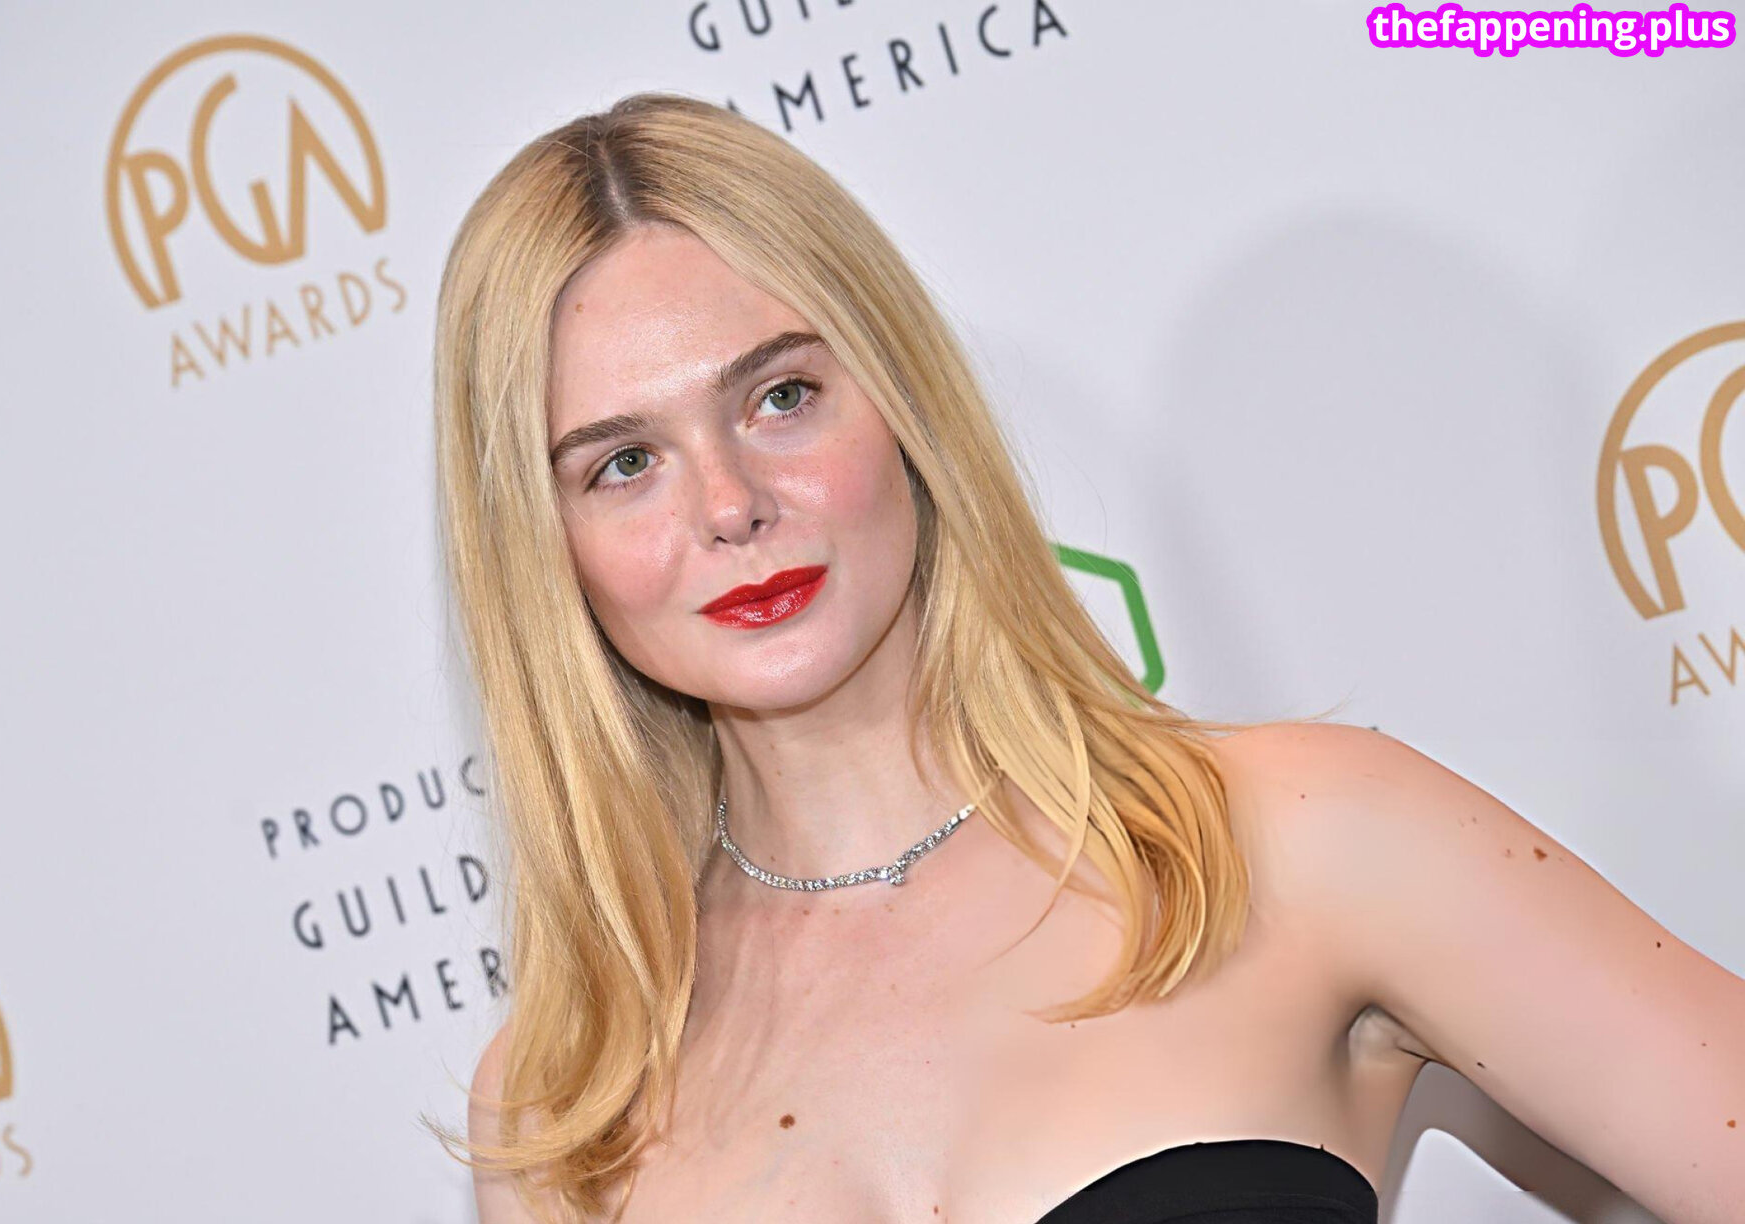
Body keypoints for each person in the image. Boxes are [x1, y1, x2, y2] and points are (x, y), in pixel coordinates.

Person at [420, 91, 1744, 1224]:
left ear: (902, 402)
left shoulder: (1297, 838)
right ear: (545, 547)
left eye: (781, 396)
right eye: (625, 463)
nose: (729, 505)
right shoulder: (563, 1110)